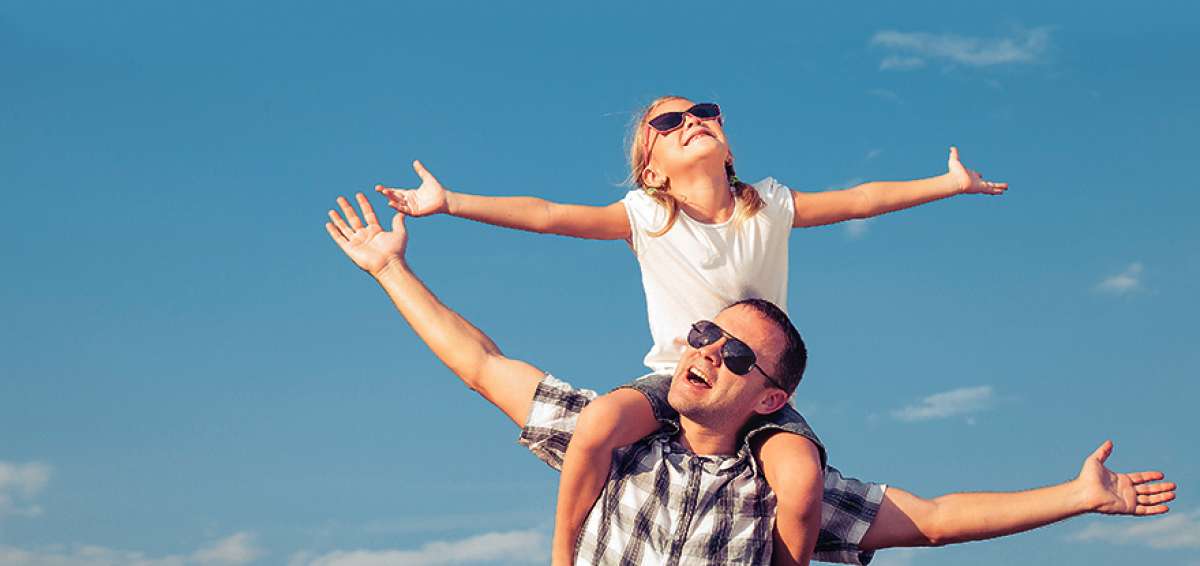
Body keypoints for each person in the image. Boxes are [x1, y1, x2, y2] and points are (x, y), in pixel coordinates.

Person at [323, 193, 1176, 566]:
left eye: (734, 355)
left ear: (771, 397)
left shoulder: (782, 485)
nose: (703, 354)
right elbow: (481, 364)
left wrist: (1077, 495)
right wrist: (390, 270)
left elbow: (940, 520)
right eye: (704, 336)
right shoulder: (620, 436)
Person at [375, 96, 1011, 564]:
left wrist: (948, 184)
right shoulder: (645, 215)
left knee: (800, 479)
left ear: (728, 149)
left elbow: (864, 199)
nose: (691, 122)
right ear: (650, 168)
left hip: (751, 388)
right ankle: (563, 559)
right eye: (668, 122)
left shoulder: (770, 207)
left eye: (703, 112)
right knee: (595, 425)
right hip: (668, 381)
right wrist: (451, 202)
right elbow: (546, 216)